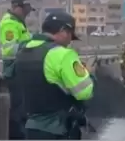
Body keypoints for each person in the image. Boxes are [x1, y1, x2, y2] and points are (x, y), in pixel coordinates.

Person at [13, 12, 95, 140]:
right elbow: (84, 93)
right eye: (70, 36)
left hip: (30, 127)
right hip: (57, 130)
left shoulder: (23, 51)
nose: (69, 42)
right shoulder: (62, 54)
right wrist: (88, 74)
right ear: (63, 30)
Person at [0, 0, 34, 139]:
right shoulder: (9, 23)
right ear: (17, 7)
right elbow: (10, 49)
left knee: (23, 107)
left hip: (21, 69)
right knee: (18, 109)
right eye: (26, 9)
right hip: (14, 69)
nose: (28, 12)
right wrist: (32, 46)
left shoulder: (18, 22)